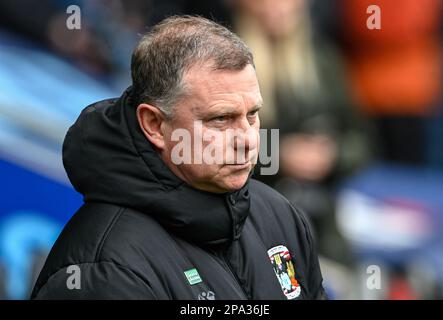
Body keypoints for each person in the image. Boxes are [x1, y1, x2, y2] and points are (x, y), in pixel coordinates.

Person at [31, 16, 326, 300]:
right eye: (221, 119)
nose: (248, 140)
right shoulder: (103, 272)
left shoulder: (279, 215)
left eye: (252, 115)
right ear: (155, 125)